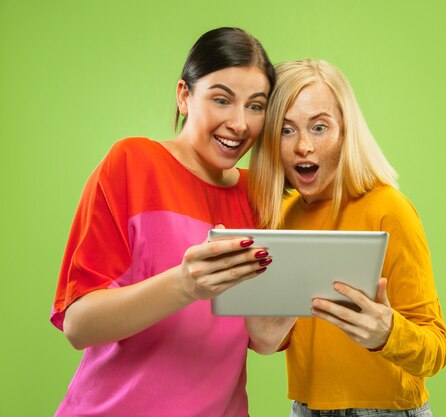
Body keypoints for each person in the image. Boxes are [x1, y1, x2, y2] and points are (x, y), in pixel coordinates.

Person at [50, 27, 283, 417]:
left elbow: (263, 340)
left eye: (256, 106)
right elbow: (78, 323)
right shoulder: (132, 164)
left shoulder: (258, 197)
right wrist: (185, 284)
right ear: (184, 95)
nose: (240, 124)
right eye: (222, 100)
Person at [249, 59, 446, 416]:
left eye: (320, 127)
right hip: (307, 410)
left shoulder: (389, 209)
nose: (304, 147)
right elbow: (280, 336)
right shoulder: (284, 216)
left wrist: (387, 334)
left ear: (345, 132)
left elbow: (436, 350)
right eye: (286, 129)